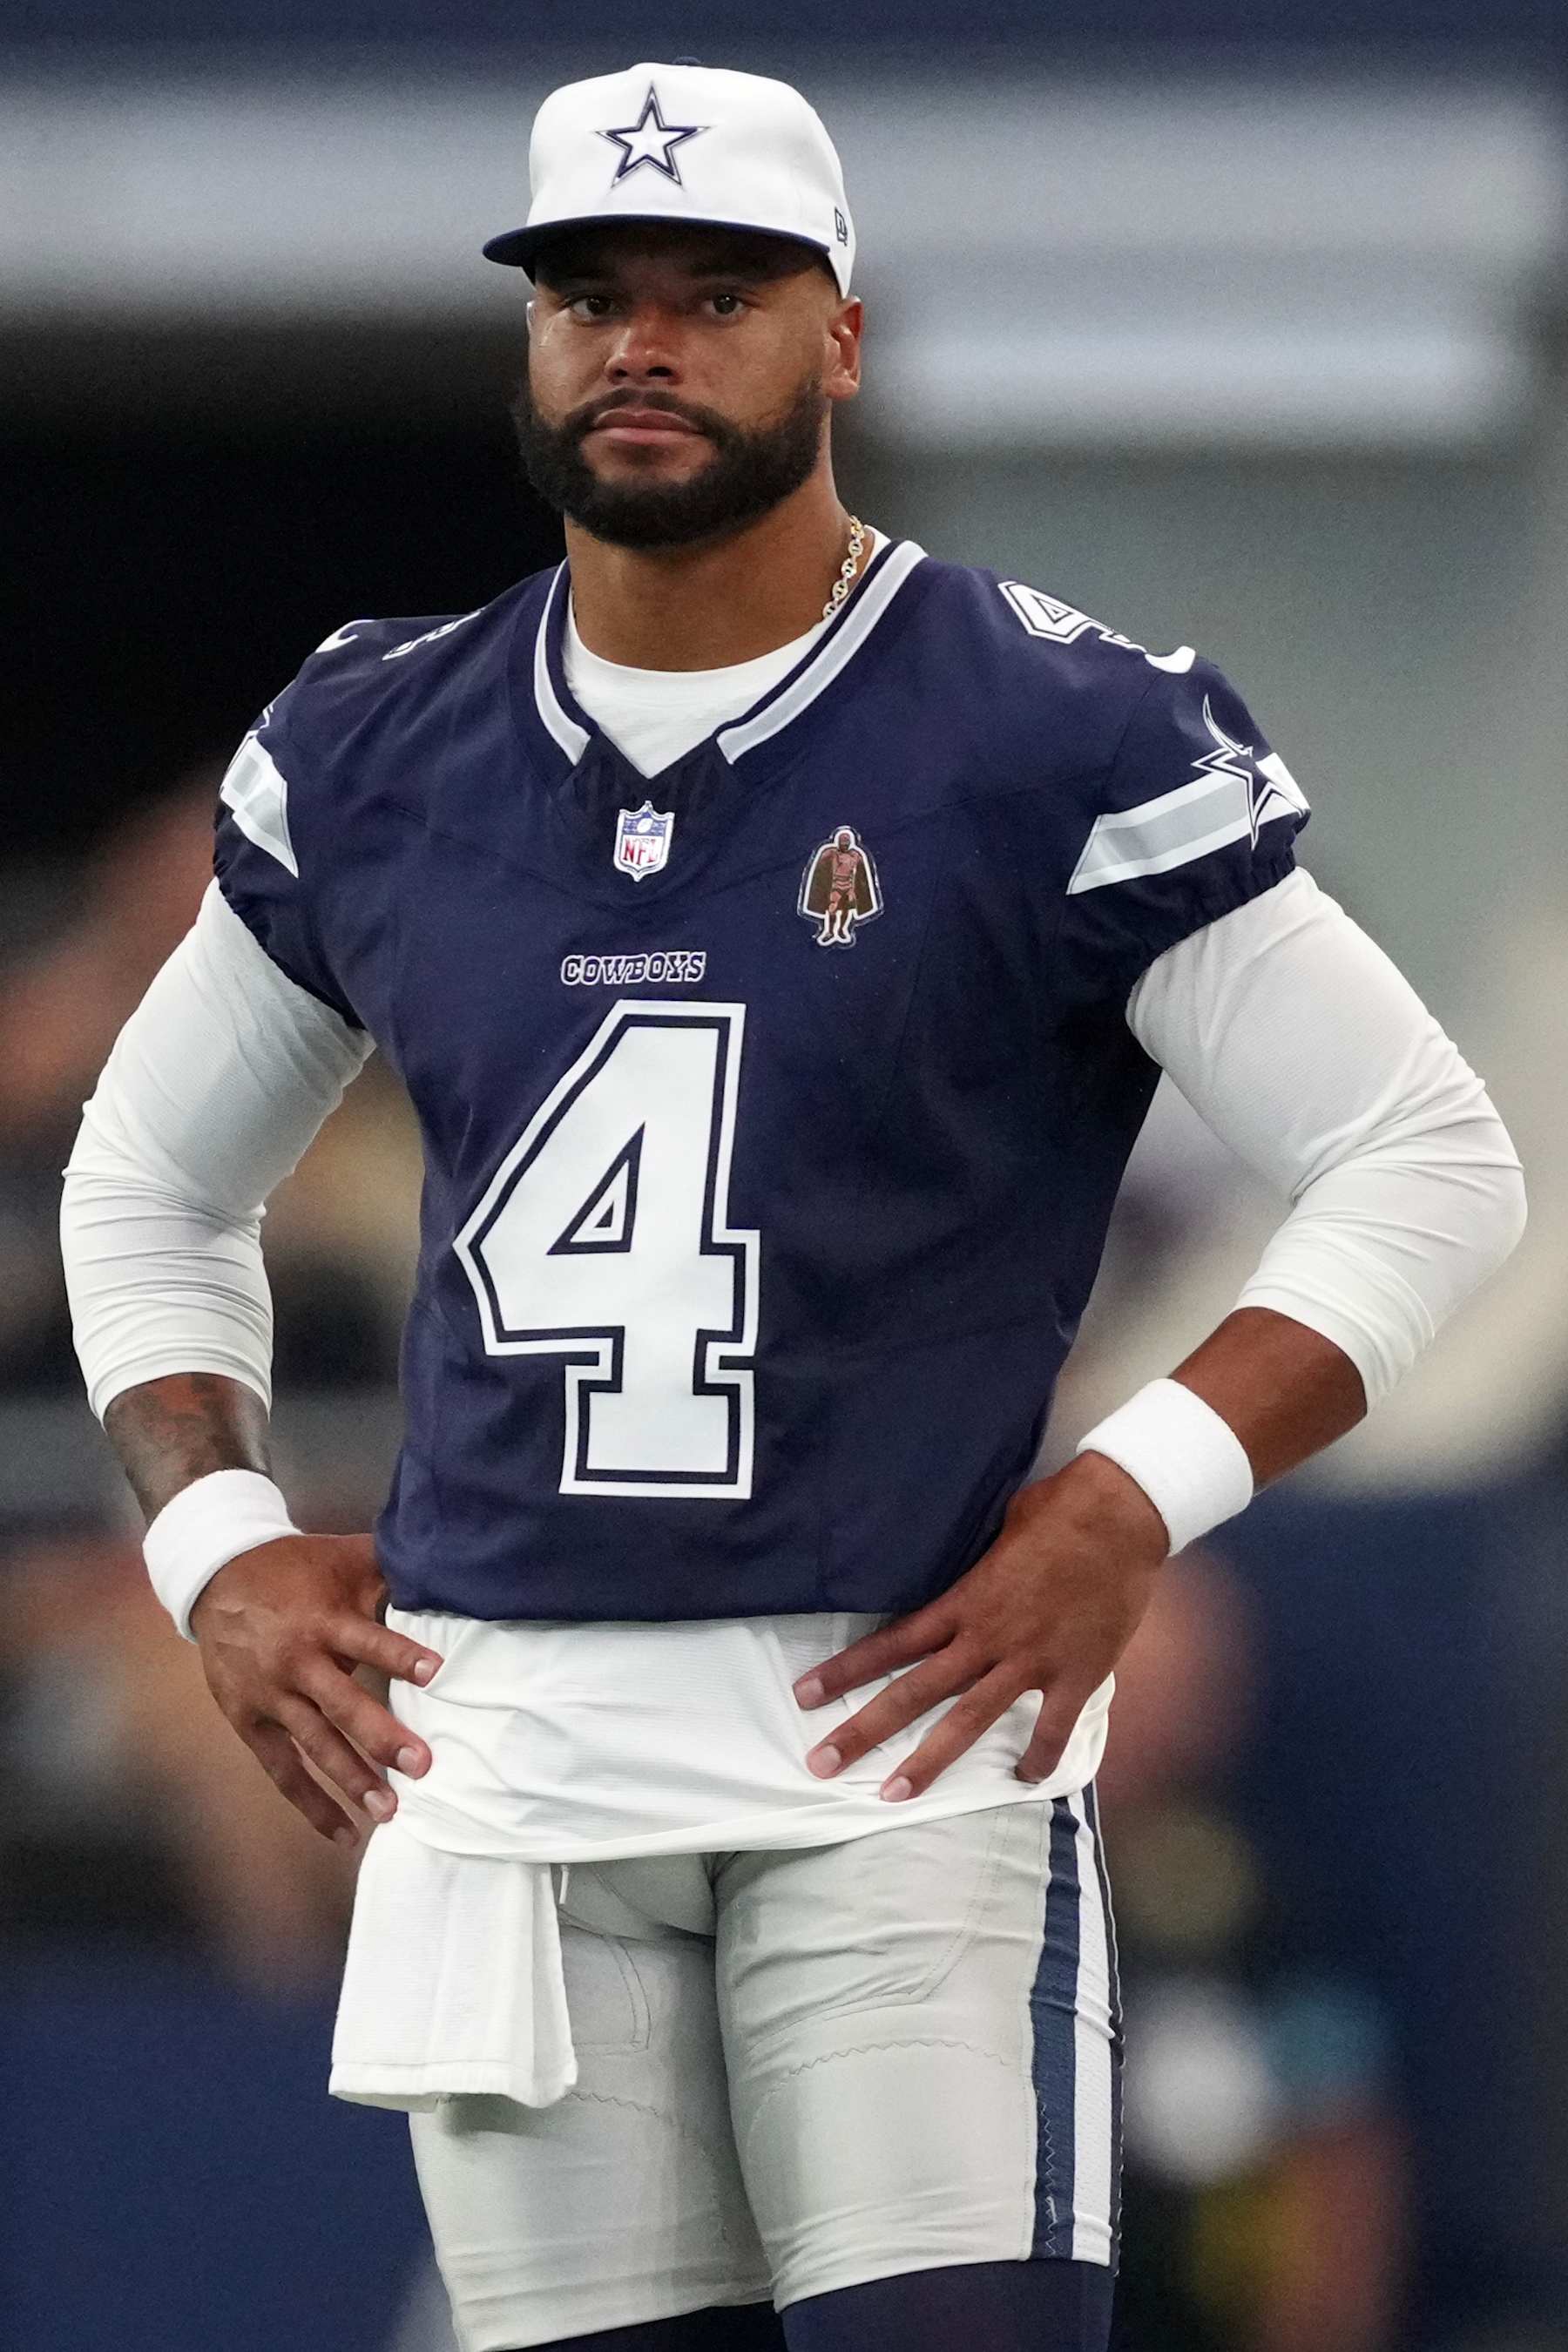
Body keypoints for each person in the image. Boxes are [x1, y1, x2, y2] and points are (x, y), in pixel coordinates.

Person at [58, 59, 1525, 2352]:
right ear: (528, 342)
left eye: (712, 291)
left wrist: (1122, 1508)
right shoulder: (377, 745)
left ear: (838, 334)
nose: (641, 340)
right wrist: (214, 1550)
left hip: (889, 1740)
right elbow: (148, 1175)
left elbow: (1430, 1154)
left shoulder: (1049, 727)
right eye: (589, 295)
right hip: (509, 1757)